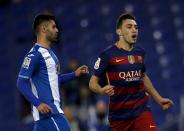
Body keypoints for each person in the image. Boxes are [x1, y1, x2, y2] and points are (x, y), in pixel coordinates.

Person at [89, 13, 174, 131]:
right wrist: (101, 90)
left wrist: (159, 99)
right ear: (119, 32)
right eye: (129, 27)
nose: (134, 30)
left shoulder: (140, 52)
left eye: (136, 27)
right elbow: (92, 83)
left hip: (141, 110)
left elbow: (143, 76)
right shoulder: (107, 55)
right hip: (119, 116)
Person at [17, 13, 89, 131]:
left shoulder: (52, 54)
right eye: (53, 27)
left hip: (46, 116)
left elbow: (55, 80)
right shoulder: (34, 54)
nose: (57, 30)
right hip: (50, 113)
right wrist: (38, 103)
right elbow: (21, 82)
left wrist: (74, 74)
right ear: (44, 29)